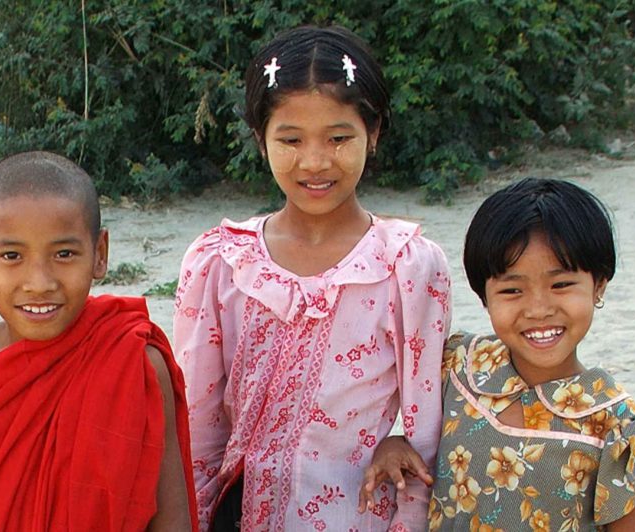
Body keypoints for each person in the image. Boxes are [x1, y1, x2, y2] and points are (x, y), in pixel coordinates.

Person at [172, 25, 451, 531]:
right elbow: (197, 426)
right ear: (261, 139)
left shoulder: (406, 267)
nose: (316, 161)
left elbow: (424, 430)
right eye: (291, 139)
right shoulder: (222, 263)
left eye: (339, 138)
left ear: (375, 132)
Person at [359, 178, 635, 531]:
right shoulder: (457, 368)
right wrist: (393, 447)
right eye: (512, 289)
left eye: (561, 285)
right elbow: (425, 441)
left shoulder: (619, 427)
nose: (538, 309)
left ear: (598, 284)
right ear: (484, 297)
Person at [0, 151, 197, 531]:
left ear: (99, 254)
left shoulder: (136, 361)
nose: (40, 283)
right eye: (12, 255)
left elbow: (171, 519)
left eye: (64, 253)